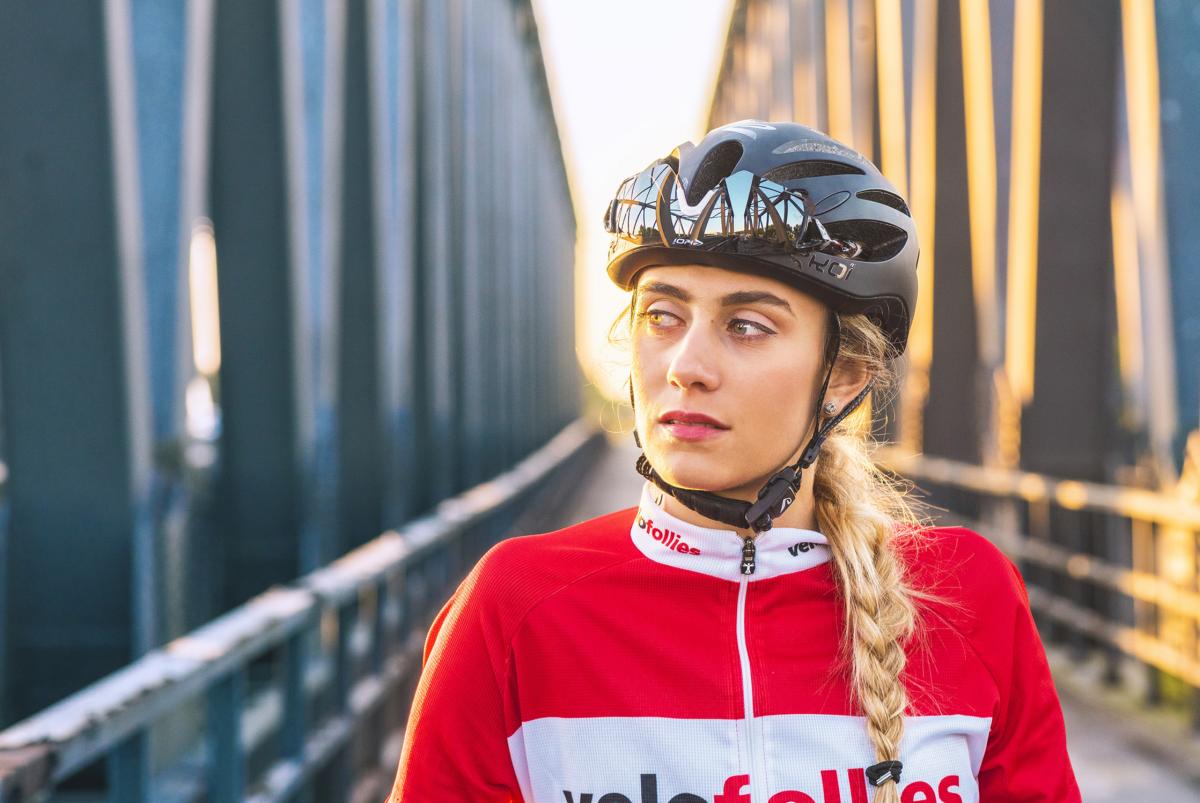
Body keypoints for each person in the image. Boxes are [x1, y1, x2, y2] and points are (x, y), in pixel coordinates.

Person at [388, 120, 1081, 802]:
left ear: (844, 374)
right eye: (662, 316)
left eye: (746, 325)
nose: (686, 366)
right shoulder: (516, 611)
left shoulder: (965, 597)